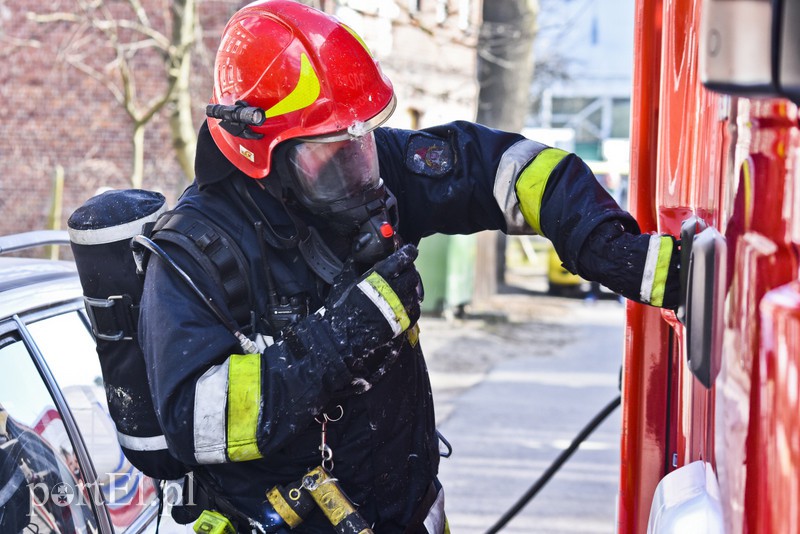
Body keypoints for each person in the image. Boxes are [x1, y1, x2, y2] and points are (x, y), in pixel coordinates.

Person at [139, 1, 680, 532]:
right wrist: (343, 337)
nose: (362, 177)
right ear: (262, 156)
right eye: (331, 157)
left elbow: (499, 166)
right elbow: (196, 423)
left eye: (362, 142)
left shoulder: (365, 164)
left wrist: (597, 239)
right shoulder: (196, 250)